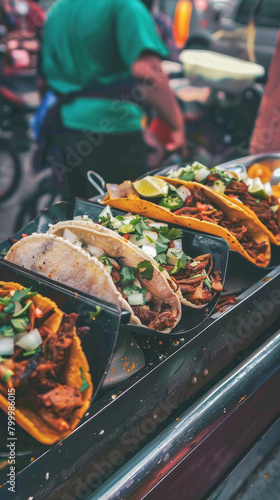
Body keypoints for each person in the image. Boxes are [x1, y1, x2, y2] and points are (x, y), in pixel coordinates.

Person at [41, 0, 186, 199]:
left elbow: (42, 77)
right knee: (122, 216)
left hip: (67, 125)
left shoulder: (58, 9)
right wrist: (177, 126)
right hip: (114, 128)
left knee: (79, 213)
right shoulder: (126, 6)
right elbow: (148, 73)